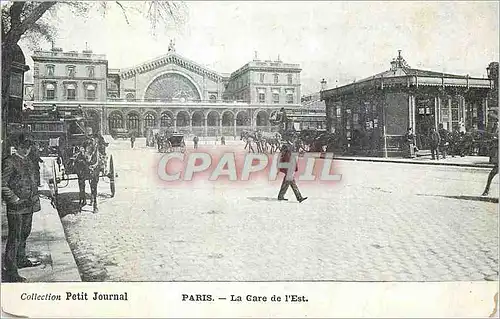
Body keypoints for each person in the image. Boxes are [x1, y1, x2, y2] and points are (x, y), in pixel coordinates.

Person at [2, 134, 43, 282]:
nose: (26, 150)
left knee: (25, 233)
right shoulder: (9, 162)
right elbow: (2, 184)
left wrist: (35, 197)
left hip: (28, 205)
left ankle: (21, 259)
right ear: (17, 147)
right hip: (16, 207)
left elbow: (33, 182)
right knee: (15, 237)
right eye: (23, 147)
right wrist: (14, 199)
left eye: (28, 147)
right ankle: (11, 270)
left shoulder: (29, 161)